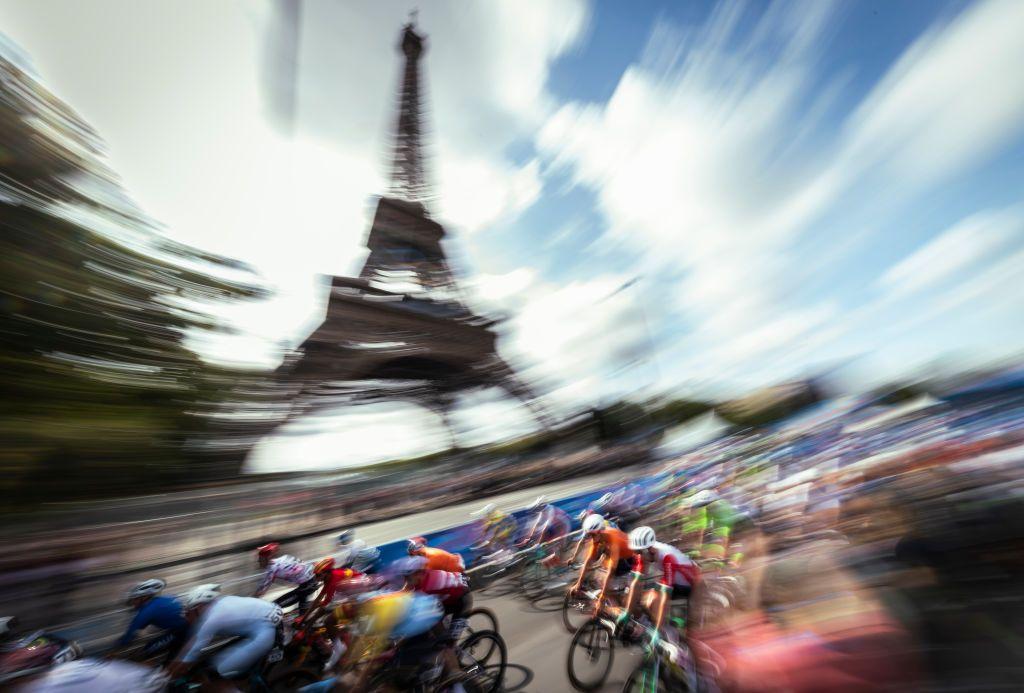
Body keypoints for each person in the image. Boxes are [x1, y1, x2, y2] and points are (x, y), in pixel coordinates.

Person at [168, 584, 282, 691]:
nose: (186, 616)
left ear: (198, 607)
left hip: (264, 632)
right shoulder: (219, 602)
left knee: (217, 675)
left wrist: (166, 679)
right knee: (214, 665)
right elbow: (191, 645)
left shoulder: (211, 619)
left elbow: (189, 655)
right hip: (267, 617)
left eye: (188, 612)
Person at [627, 526, 699, 636]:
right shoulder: (646, 553)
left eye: (638, 552)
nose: (637, 556)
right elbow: (636, 582)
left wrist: (657, 629)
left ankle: (668, 632)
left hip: (691, 584)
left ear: (649, 549)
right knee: (646, 598)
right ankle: (663, 624)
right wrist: (627, 612)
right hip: (677, 581)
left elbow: (664, 595)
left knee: (655, 597)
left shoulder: (667, 556)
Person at [110, 579, 188, 662]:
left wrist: (114, 650)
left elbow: (129, 637)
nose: (132, 604)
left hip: (181, 630)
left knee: (146, 651)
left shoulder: (145, 612)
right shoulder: (167, 597)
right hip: (187, 625)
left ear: (144, 597)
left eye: (134, 600)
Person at [571, 513, 636, 611]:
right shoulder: (598, 537)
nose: (591, 538)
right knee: (603, 581)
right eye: (589, 535)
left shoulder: (613, 537)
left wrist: (602, 597)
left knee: (610, 588)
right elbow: (588, 560)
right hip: (619, 556)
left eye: (592, 535)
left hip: (629, 558)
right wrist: (579, 583)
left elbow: (611, 571)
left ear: (600, 531)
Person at [253, 542, 318, 613]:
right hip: (311, 579)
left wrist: (250, 602)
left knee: (274, 606)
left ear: (267, 558)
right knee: (302, 609)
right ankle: (304, 616)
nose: (258, 561)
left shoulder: (272, 569)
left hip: (307, 585)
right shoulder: (285, 557)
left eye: (260, 558)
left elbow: (260, 591)